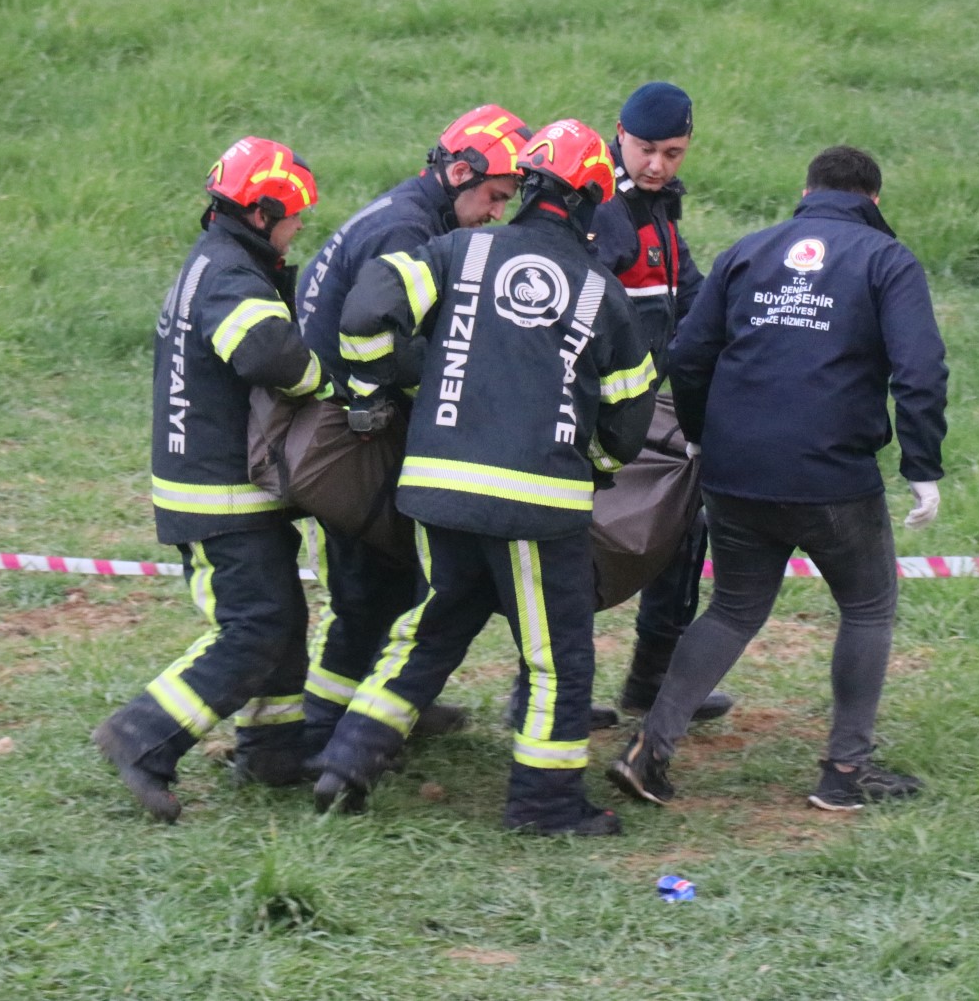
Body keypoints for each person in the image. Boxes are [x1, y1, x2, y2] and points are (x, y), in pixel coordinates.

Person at [312, 119, 658, 836]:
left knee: (430, 628)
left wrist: (375, 386)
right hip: (536, 506)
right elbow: (627, 425)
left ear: (527, 187)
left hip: (437, 491)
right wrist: (589, 465)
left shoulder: (456, 250)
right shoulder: (602, 293)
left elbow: (368, 307)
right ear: (593, 201)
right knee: (556, 657)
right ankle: (545, 806)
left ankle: (345, 762)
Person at [608, 145, 947, 813]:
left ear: (806, 189)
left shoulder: (748, 251)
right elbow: (920, 371)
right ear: (873, 200)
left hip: (734, 473)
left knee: (734, 607)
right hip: (832, 477)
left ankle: (650, 748)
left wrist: (701, 434)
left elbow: (689, 353)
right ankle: (845, 770)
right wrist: (922, 465)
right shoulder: (887, 260)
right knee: (868, 606)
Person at [92, 137, 333, 822]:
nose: (298, 228)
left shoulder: (216, 260)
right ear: (260, 213)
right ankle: (142, 735)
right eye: (292, 216)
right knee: (255, 625)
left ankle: (273, 749)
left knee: (282, 619)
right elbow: (267, 353)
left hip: (216, 484)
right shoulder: (230, 273)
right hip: (219, 492)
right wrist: (325, 380)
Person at [294, 105, 531, 758]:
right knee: (365, 591)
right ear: (459, 172)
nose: (494, 214)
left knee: (388, 585)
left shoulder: (408, 212)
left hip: (337, 423)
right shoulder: (406, 232)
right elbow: (376, 333)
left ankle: (380, 707)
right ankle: (319, 735)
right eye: (492, 197)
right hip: (347, 434)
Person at [588, 81, 730, 725]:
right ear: (619, 132)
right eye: (646, 149)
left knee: (685, 523)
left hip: (643, 404)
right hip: (591, 408)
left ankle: (652, 680)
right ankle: (535, 693)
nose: (657, 165)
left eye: (673, 153)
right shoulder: (601, 209)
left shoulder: (660, 208)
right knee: (567, 550)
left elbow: (690, 294)